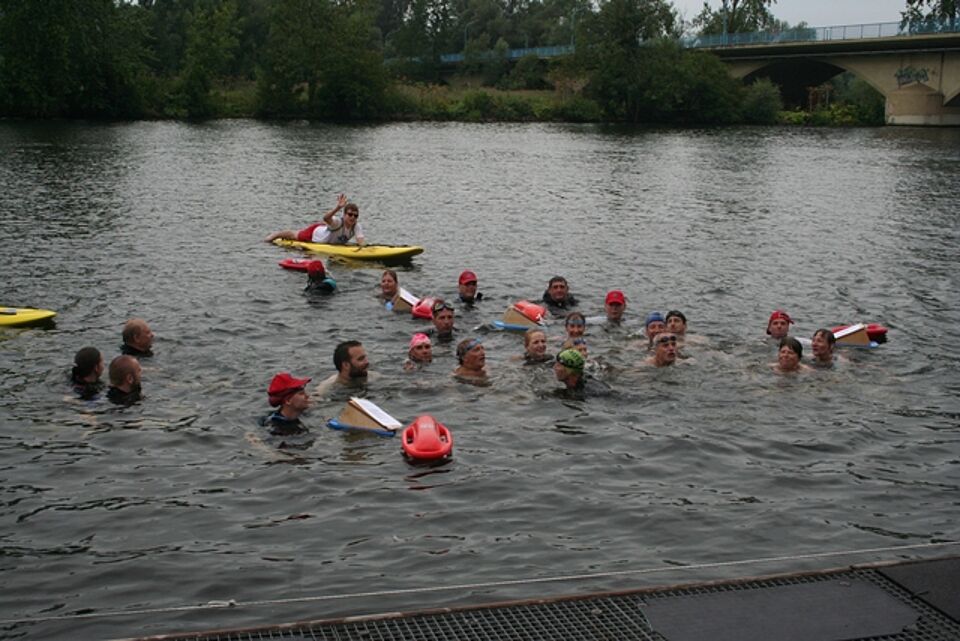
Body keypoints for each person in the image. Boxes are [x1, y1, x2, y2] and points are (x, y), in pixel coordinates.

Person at [264, 194, 366, 246]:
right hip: (315, 234)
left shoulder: (356, 226)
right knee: (294, 235)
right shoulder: (338, 222)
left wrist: (364, 248)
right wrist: (338, 208)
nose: (353, 217)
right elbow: (326, 218)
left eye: (355, 216)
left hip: (326, 233)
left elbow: (360, 240)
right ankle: (275, 235)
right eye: (350, 214)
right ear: (344, 215)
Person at [262, 372, 312, 436]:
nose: (307, 395)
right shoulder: (277, 430)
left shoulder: (301, 413)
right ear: (288, 401)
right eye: (301, 393)